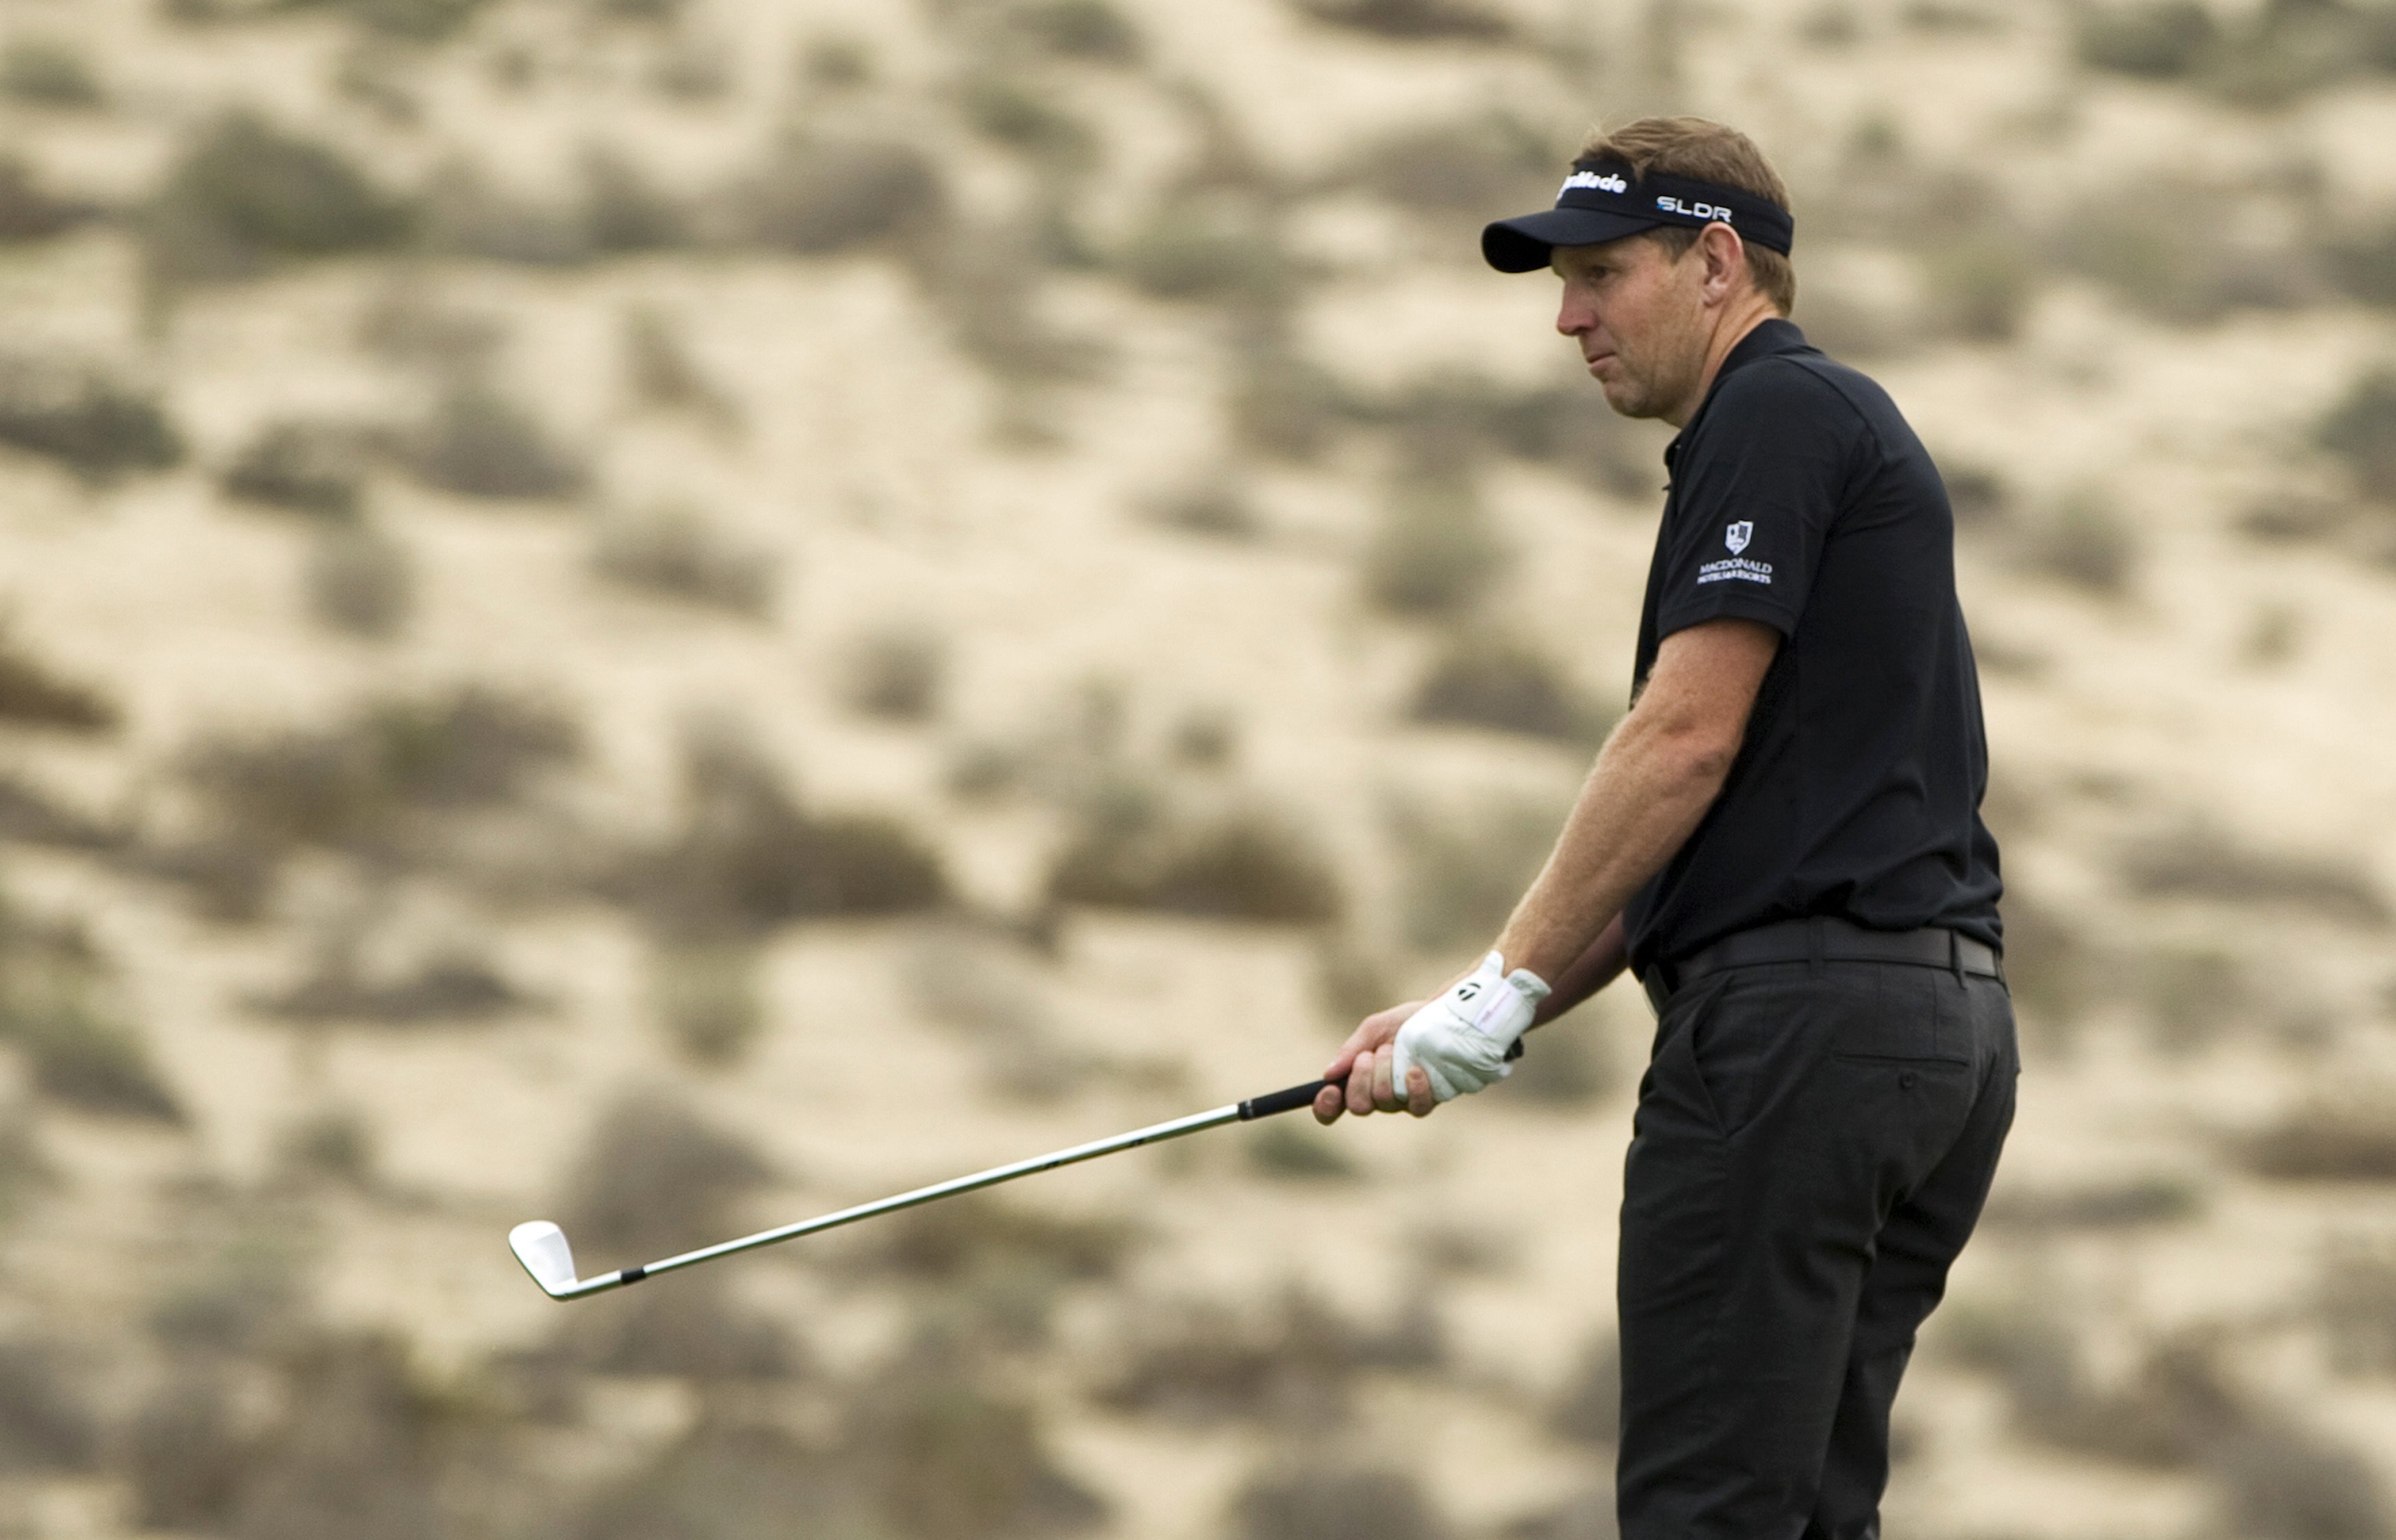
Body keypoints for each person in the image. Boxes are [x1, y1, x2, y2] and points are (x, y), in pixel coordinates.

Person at [1312, 116, 2015, 1540]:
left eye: (1600, 274)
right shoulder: (1818, 427)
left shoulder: (1772, 413)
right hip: (1927, 1036)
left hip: (1799, 1039)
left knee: (1708, 1517)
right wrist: (1480, 1010)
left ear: (1714, 263)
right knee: (1806, 1517)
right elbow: (1705, 854)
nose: (1567, 317)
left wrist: (1502, 975)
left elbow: (1681, 739)